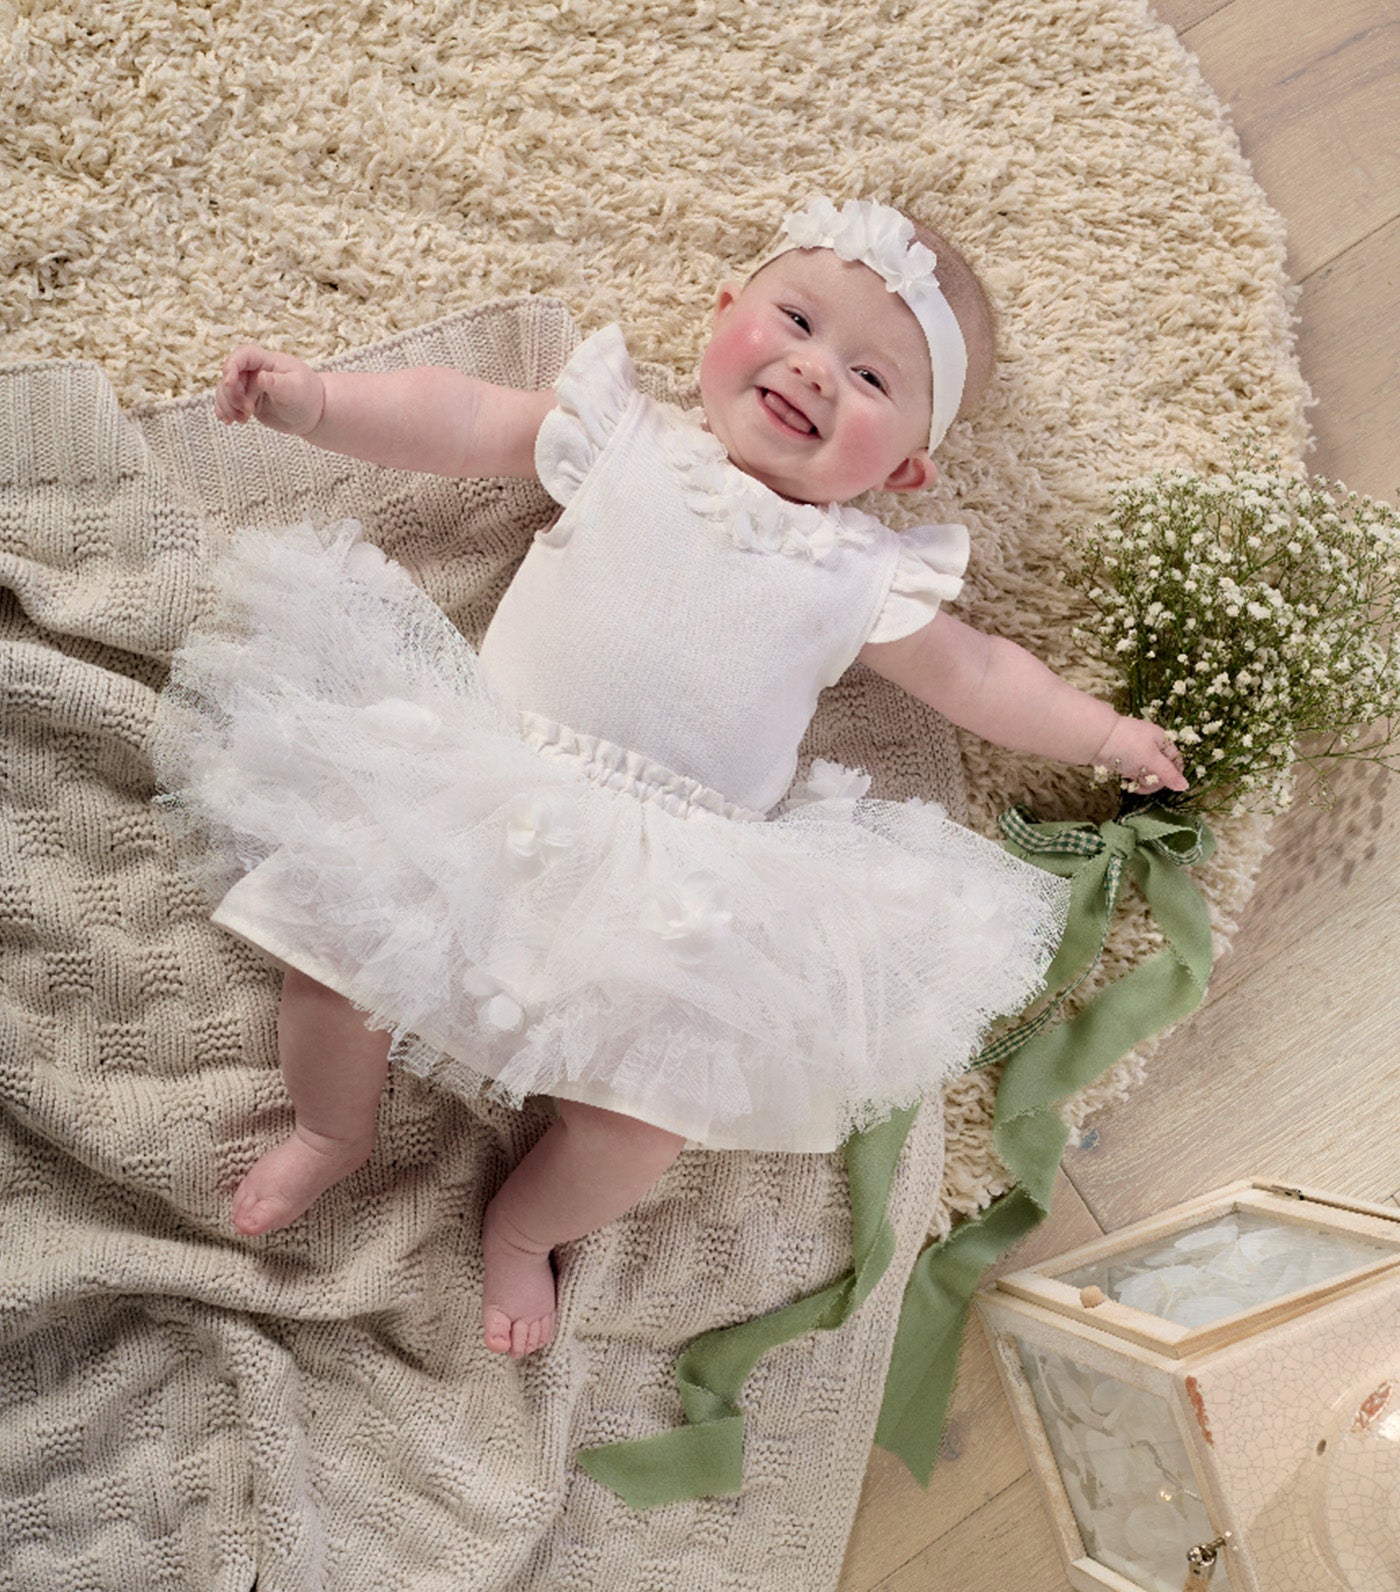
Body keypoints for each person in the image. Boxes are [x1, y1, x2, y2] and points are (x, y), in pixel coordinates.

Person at [156, 196, 1185, 1361]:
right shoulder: (617, 435)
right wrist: (317, 401)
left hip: (675, 878)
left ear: (903, 468)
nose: (812, 370)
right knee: (331, 955)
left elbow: (986, 676)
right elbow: (457, 416)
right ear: (721, 315)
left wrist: (1102, 734)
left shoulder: (861, 574)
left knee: (643, 1122)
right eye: (794, 317)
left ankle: (521, 1228)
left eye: (869, 376)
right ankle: (330, 1127)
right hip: (483, 782)